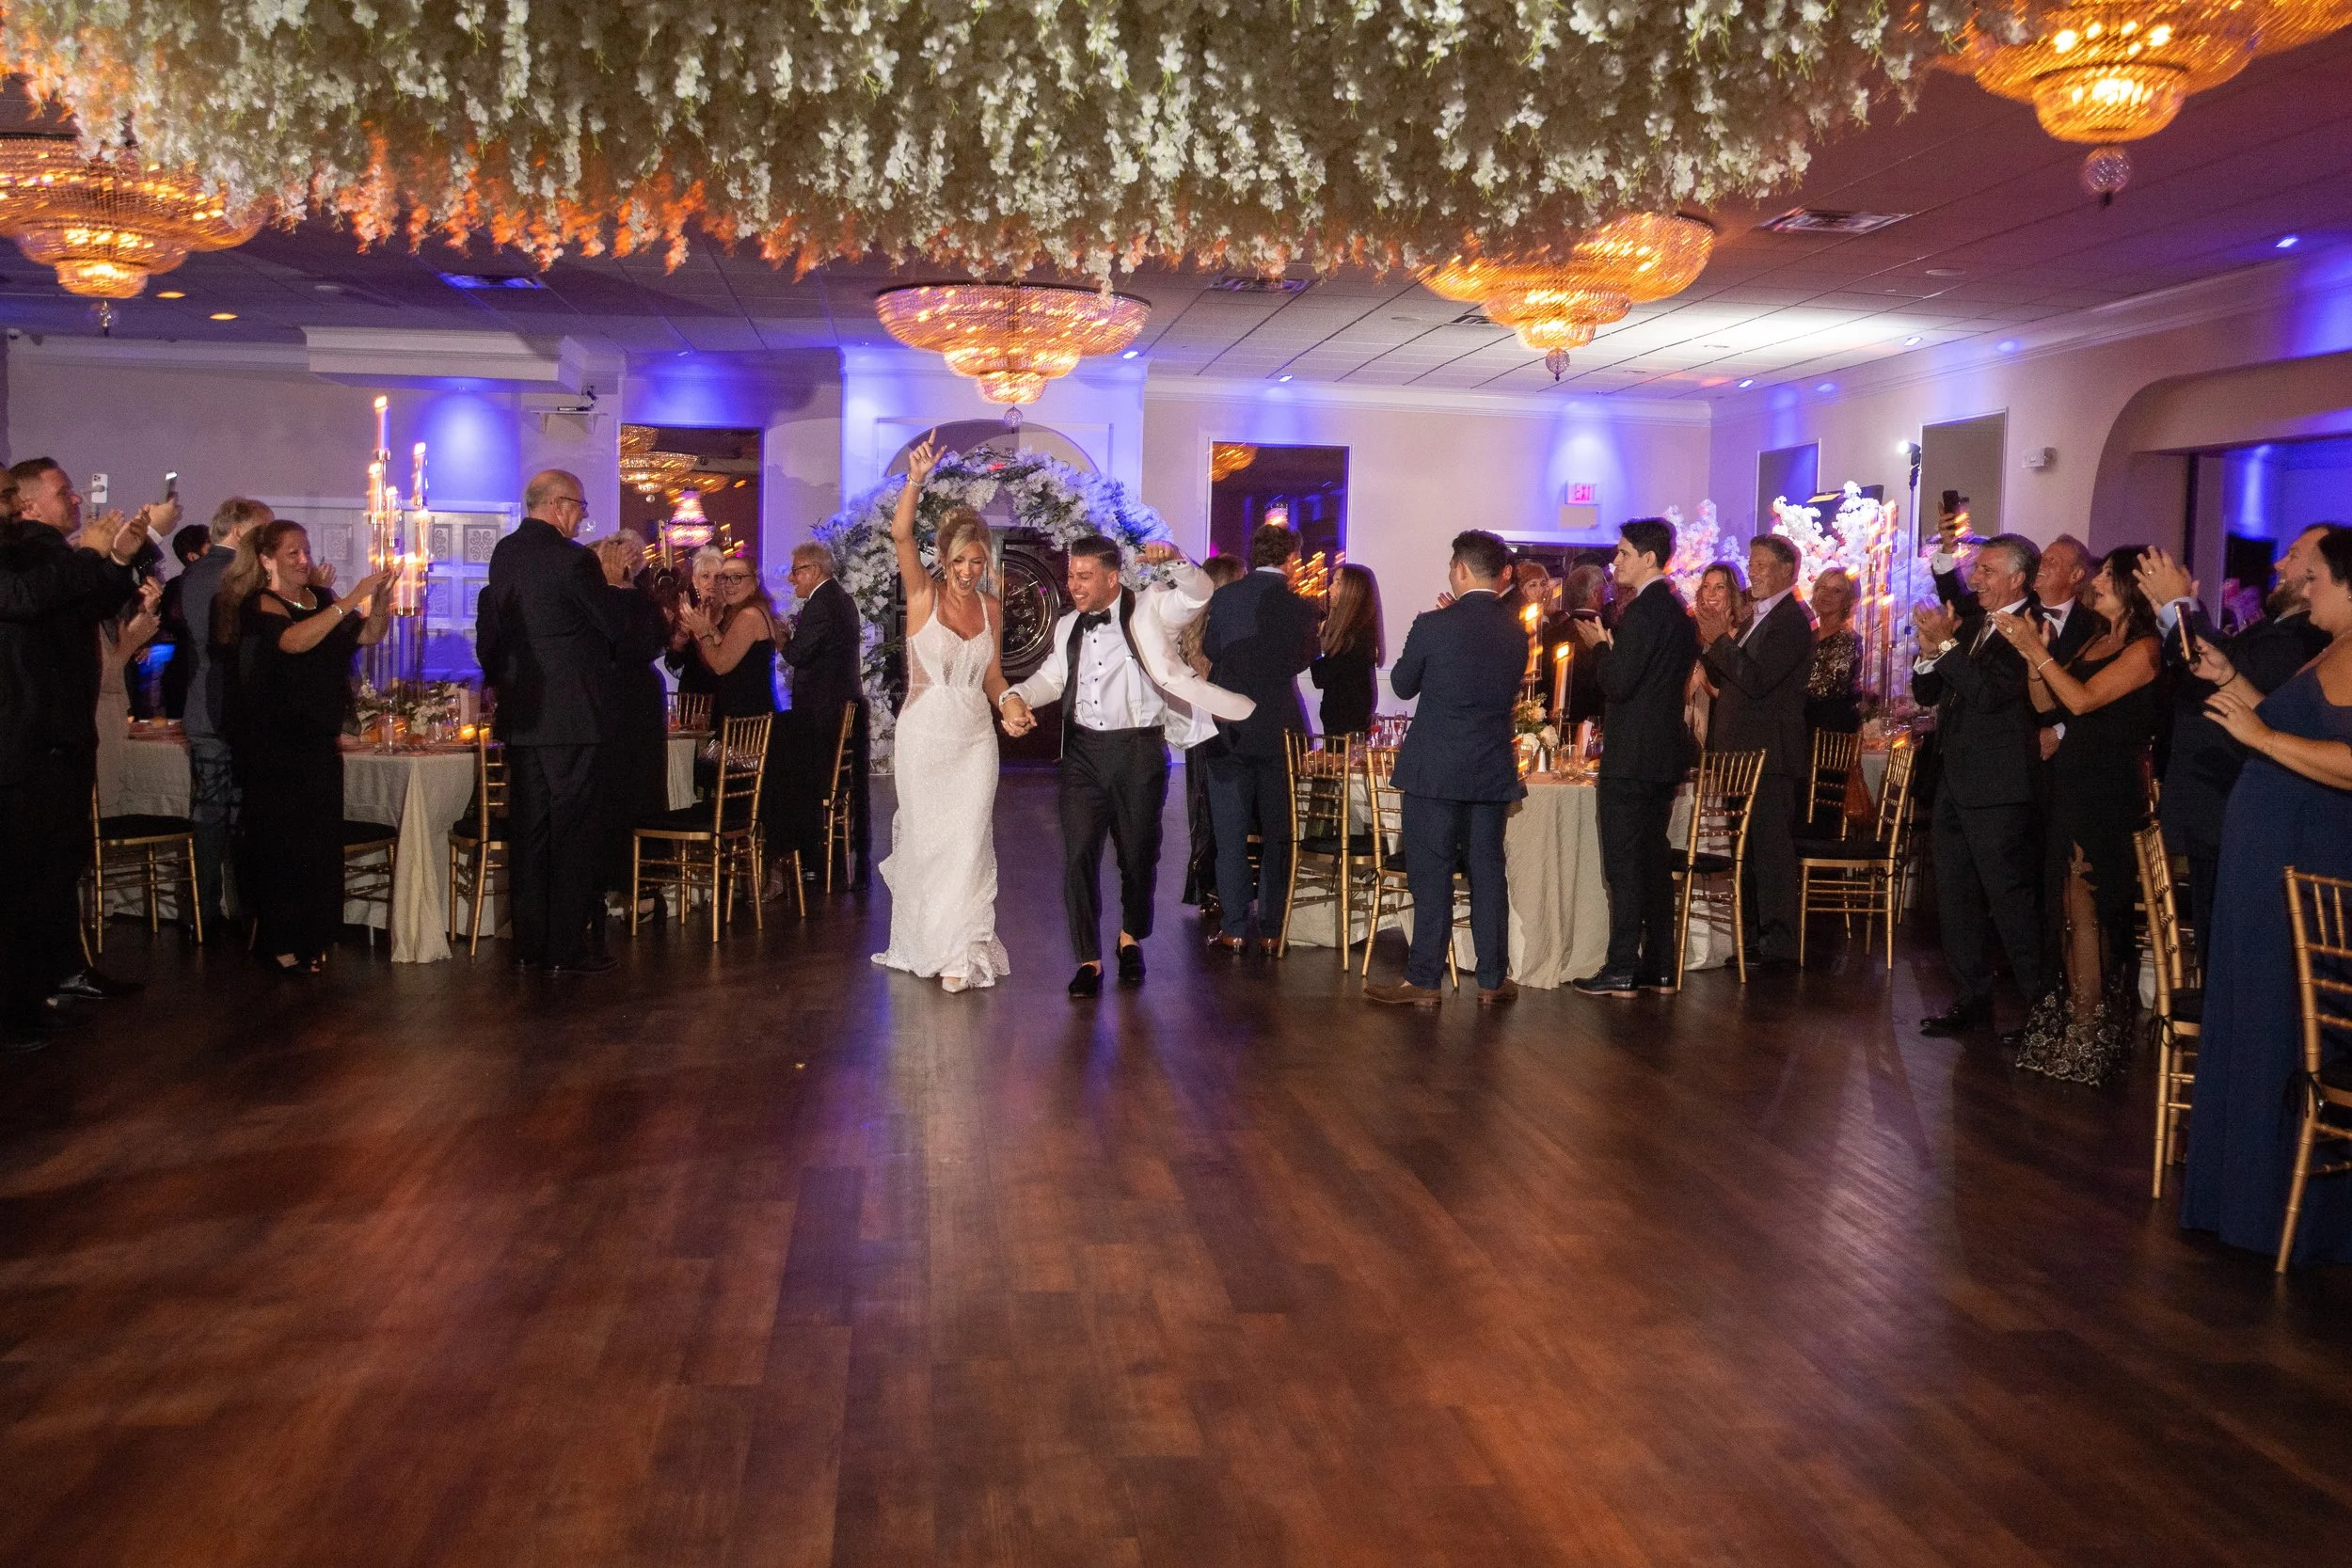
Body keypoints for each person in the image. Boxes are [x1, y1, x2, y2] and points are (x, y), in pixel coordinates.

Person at [2182, 524, 2352, 1267]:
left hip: (2308, 855)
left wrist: (2258, 737)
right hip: (2270, 861)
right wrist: (2229, 680)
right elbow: (2282, 722)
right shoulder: (2329, 646)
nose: (2301, 589)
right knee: (2253, 1011)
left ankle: (2281, 1209)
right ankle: (2237, 1200)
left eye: (2312, 577)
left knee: (2282, 1020)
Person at [1003, 534, 1252, 996]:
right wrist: (1016, 696)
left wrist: (1176, 560)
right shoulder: (1066, 627)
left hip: (1138, 750)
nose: (1073, 585)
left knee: (1138, 855)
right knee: (1077, 855)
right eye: (1071, 575)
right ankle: (1088, 959)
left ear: (1111, 577)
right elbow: (1052, 678)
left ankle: (1130, 938)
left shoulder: (1152, 609)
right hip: (1082, 754)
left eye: (1084, 576)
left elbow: (1198, 593)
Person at [1992, 545, 2162, 1082]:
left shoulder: (2146, 647)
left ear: (2133, 587)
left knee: (2090, 908)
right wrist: (2032, 658)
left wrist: (2035, 654)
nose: (2099, 583)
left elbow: (2085, 702)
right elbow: (2049, 704)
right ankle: (2074, 1023)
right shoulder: (2094, 638)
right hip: (2072, 782)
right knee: (2066, 908)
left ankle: (2092, 1033)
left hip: (2107, 790)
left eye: (2110, 576)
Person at [2138, 531, 2332, 970]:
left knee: (2240, 960)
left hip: (2242, 802)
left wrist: (2181, 609)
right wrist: (2174, 615)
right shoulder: (2276, 626)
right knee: (2217, 955)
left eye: (2294, 555)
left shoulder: (2310, 637)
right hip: (2218, 801)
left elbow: (2239, 671)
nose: (2279, 565)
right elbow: (2212, 670)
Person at [1, 492, 149, 1050]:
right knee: (21, 884)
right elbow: (26, 596)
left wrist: (114, 561)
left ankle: (43, 988)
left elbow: (84, 604)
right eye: (3, 497)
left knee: (49, 873)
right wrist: (89, 553)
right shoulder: (22, 560)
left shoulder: (33, 558)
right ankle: (20, 1007)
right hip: (20, 737)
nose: (9, 506)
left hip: (48, 734)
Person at [871, 440, 1014, 991]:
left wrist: (1010, 705)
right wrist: (915, 479)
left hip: (976, 739)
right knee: (930, 844)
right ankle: (926, 943)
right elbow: (900, 535)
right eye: (960, 561)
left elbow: (993, 677)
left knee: (970, 840)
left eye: (978, 562)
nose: (969, 571)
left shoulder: (990, 607)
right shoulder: (922, 594)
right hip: (925, 736)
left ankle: (962, 949)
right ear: (943, 559)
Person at [1364, 531, 1528, 1006]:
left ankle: (1425, 980)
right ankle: (1494, 980)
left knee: (1431, 873)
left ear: (1459, 569)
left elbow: (1401, 684)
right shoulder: (1516, 629)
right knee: (1487, 871)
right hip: (1491, 766)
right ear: (1500, 575)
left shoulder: (1434, 624)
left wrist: (1436, 624)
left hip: (1435, 768)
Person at [221, 520, 392, 974]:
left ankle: (314, 934)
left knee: (317, 841)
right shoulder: (261, 603)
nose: (303, 560)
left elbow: (369, 635)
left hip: (317, 739)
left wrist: (383, 599)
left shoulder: (322, 600)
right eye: (292, 553)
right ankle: (279, 942)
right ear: (266, 559)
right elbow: (292, 642)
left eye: (305, 551)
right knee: (281, 843)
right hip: (274, 744)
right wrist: (354, 596)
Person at [476, 469, 629, 974]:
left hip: (524, 714)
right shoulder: (575, 561)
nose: (583, 517)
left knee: (530, 833)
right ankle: (565, 949)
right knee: (573, 834)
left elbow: (499, 632)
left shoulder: (505, 553)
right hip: (574, 718)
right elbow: (612, 627)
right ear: (560, 505)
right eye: (581, 507)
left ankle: (528, 945)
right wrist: (612, 584)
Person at [1911, 533, 2046, 1039]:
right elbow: (1929, 691)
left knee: (2009, 899)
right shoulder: (1973, 624)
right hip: (1954, 778)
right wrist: (1929, 653)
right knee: (1955, 896)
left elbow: (1989, 694)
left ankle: (2039, 1009)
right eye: (1977, 570)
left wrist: (1946, 647)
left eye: (1987, 571)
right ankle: (1971, 999)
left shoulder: (2031, 627)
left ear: (2017, 578)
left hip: (1999, 783)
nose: (1975, 579)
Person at [1573, 516, 1699, 997]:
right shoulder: (1677, 610)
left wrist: (1601, 649)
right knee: (1652, 864)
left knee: (1625, 867)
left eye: (1624, 553)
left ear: (1649, 558)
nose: (1615, 561)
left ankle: (1622, 966)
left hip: (1632, 757)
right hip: (1662, 755)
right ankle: (1661, 967)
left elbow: (1621, 683)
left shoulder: (1645, 611)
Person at [1694, 533, 1816, 971]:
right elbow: (1728, 677)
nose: (1753, 571)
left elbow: (1759, 680)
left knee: (1770, 852)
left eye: (1761, 564)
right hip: (1741, 754)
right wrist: (1712, 642)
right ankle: (1750, 939)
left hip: (1770, 755)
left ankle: (1779, 944)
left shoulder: (1791, 620)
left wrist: (1720, 643)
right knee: (1745, 853)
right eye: (1751, 562)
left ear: (1787, 570)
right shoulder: (1755, 618)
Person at [1200, 521, 1319, 954]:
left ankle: (1233, 925)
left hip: (1229, 724)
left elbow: (1212, 649)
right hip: (1279, 726)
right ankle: (1270, 929)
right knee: (1279, 832)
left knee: (1230, 832)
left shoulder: (1226, 596)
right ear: (1291, 558)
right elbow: (1304, 659)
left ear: (1253, 555)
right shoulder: (1303, 608)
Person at [183, 498, 272, 938]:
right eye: (262, 534)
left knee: (223, 810)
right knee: (216, 811)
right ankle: (210, 912)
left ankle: (222, 909)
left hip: (213, 704)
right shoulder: (216, 575)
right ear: (238, 532)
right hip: (219, 706)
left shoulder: (202, 573)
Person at [778, 541, 870, 885]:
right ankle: (827, 857)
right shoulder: (840, 599)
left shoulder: (822, 604)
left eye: (796, 571)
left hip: (821, 712)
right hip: (836, 706)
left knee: (810, 783)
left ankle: (815, 860)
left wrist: (782, 638)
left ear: (813, 570)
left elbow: (799, 655)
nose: (792, 579)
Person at [591, 532, 671, 916]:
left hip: (623, 696)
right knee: (627, 786)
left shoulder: (620, 601)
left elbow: (632, 644)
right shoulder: (639, 601)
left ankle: (628, 883)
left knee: (627, 786)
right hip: (630, 695)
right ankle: (629, 883)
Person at [1181, 553, 1248, 916]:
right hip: (1219, 728)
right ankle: (1221, 887)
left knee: (1202, 810)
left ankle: (1206, 887)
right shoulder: (1224, 628)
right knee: (1222, 811)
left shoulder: (1194, 624)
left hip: (1199, 728)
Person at [94, 571, 164, 813]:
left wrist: (145, 612)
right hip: (99, 721)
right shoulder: (82, 618)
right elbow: (104, 676)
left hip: (111, 717)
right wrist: (134, 638)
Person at [1310, 562, 1384, 738]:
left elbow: (1320, 677)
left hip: (1345, 728)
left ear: (1353, 592)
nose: (1330, 588)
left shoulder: (1352, 636)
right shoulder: (1359, 631)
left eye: (1337, 583)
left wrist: (1315, 639)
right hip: (1347, 724)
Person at [1685, 561, 1747, 749]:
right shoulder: (1692, 631)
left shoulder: (1743, 636)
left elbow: (1737, 693)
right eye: (1706, 587)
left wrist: (1702, 679)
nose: (1711, 594)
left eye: (1719, 587)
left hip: (1726, 731)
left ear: (1733, 593)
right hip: (1691, 730)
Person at [155, 522, 212, 720]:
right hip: (185, 670)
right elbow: (174, 621)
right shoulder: (176, 587)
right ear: (192, 556)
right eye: (210, 547)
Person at [662, 545, 725, 705]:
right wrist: (684, 631)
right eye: (705, 576)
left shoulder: (732, 611)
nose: (712, 583)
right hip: (693, 697)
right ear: (695, 581)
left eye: (717, 576)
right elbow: (674, 662)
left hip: (724, 694)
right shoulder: (688, 611)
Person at [1804, 567, 1864, 736]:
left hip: (1831, 733)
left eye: (1836, 590)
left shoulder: (1847, 639)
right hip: (1804, 726)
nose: (1826, 595)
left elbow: (1824, 687)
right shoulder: (1808, 635)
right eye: (1822, 587)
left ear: (1848, 599)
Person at [1557, 563, 1610, 729]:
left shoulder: (1552, 634)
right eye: (1605, 590)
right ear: (1596, 594)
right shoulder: (1607, 633)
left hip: (1555, 723)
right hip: (1597, 724)